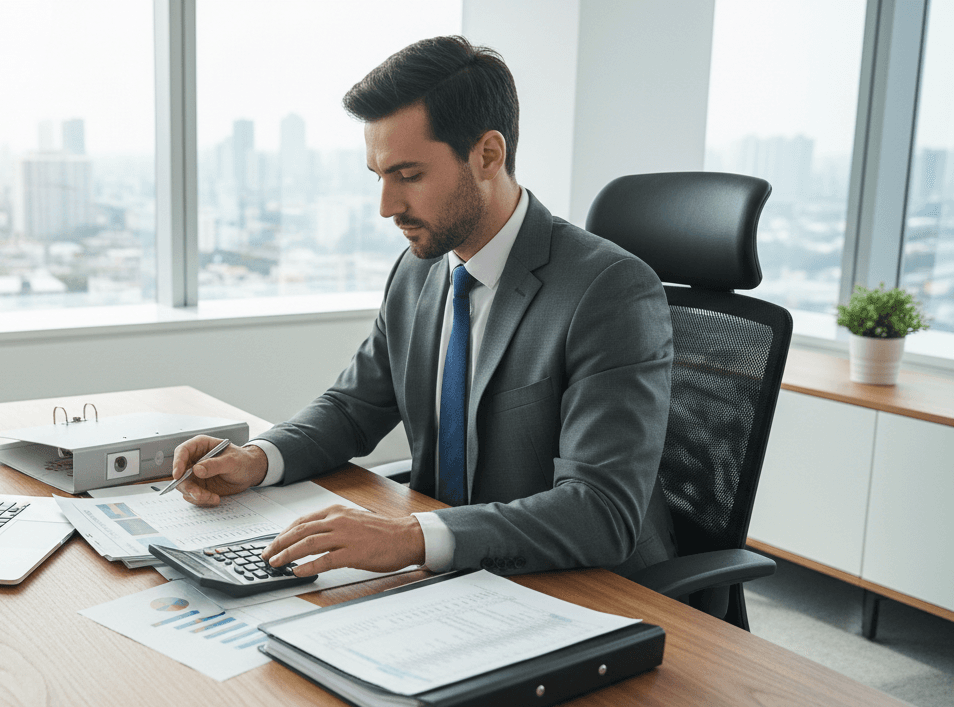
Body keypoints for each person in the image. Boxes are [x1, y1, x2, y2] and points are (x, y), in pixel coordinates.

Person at [172, 35, 677, 580]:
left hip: (586, 588)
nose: (387, 207)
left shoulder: (609, 291)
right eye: (379, 177)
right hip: (455, 578)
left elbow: (601, 511)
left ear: (488, 155)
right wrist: (259, 458)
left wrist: (411, 538)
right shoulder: (420, 269)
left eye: (409, 176)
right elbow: (352, 407)